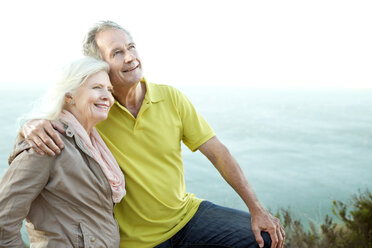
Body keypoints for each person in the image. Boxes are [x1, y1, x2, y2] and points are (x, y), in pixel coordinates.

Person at [21, 21, 285, 248]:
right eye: (117, 53)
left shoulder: (171, 97)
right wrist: (31, 125)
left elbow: (217, 152)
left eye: (131, 47)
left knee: (265, 238)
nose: (130, 57)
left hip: (187, 216)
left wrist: (256, 209)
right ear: (100, 66)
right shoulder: (96, 110)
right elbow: (58, 113)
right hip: (135, 240)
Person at [0, 57, 126, 247]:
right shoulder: (46, 143)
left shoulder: (95, 145)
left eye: (109, 90)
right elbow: (3, 221)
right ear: (70, 96)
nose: (107, 96)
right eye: (97, 87)